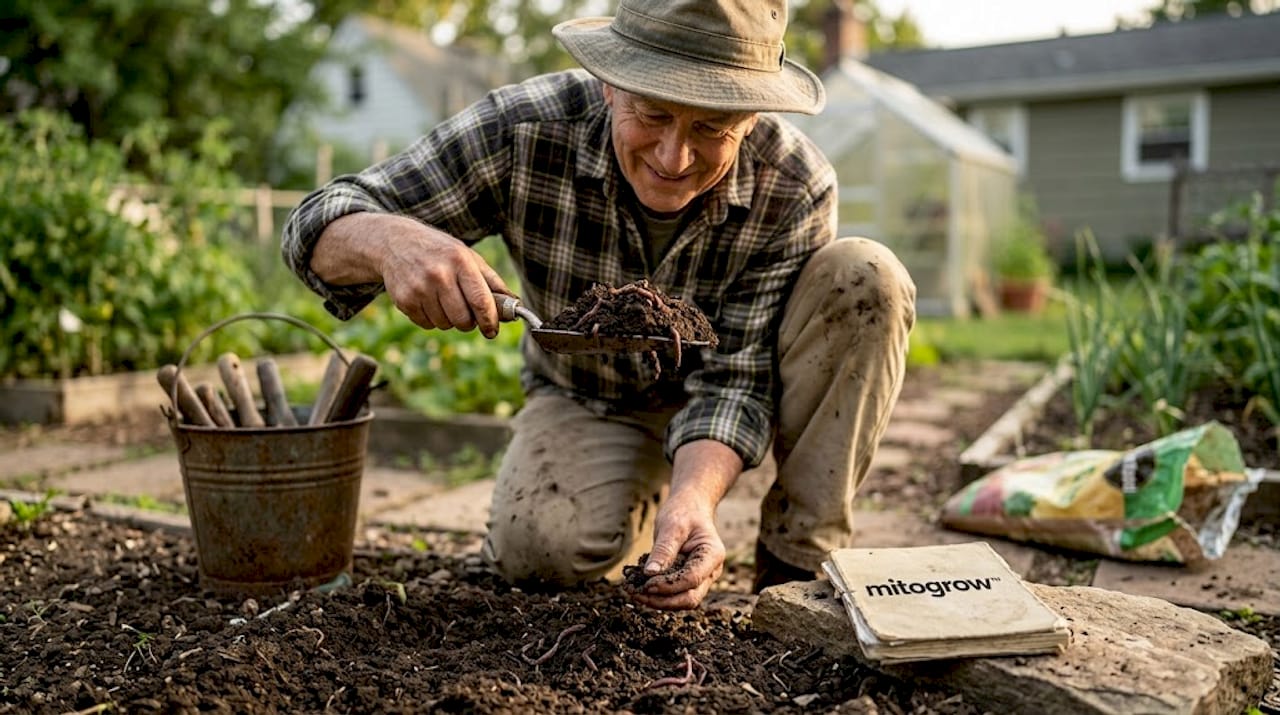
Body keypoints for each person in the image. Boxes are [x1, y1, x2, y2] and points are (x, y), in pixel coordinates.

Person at [282, 0, 916, 611]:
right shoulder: (524, 130)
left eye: (711, 128)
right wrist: (390, 241)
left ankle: (795, 566)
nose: (675, 158)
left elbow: (736, 382)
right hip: (588, 395)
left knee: (866, 278)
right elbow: (313, 224)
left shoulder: (793, 183)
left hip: (735, 398)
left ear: (750, 118)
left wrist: (695, 497)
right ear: (609, 84)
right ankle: (640, 503)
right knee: (539, 551)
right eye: (655, 115)